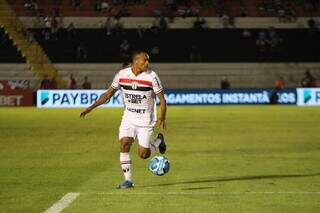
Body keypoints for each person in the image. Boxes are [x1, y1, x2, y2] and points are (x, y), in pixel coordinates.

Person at [80, 51, 167, 189]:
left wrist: (163, 117)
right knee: (124, 143)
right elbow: (108, 94)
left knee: (143, 155)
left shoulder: (152, 76)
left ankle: (158, 141)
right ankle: (128, 180)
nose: (147, 63)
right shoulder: (122, 75)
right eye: (145, 60)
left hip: (146, 119)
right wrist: (91, 107)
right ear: (136, 61)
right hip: (129, 117)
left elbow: (162, 99)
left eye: (148, 61)